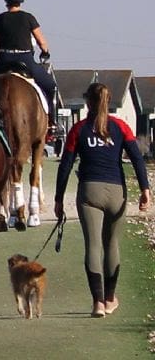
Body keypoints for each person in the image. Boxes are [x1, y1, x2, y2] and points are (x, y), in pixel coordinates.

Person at [54, 82, 150, 317]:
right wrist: (145, 189)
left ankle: (97, 302)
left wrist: (58, 198)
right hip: (116, 191)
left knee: (93, 246)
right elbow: (137, 158)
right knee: (111, 245)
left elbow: (66, 164)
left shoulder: (78, 129)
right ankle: (110, 299)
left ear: (88, 102)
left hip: (89, 191)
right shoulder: (121, 127)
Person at [0, 0, 57, 121]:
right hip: (25, 59)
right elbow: (41, 42)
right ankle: (52, 120)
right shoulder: (29, 17)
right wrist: (45, 51)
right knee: (51, 86)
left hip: (5, 59)